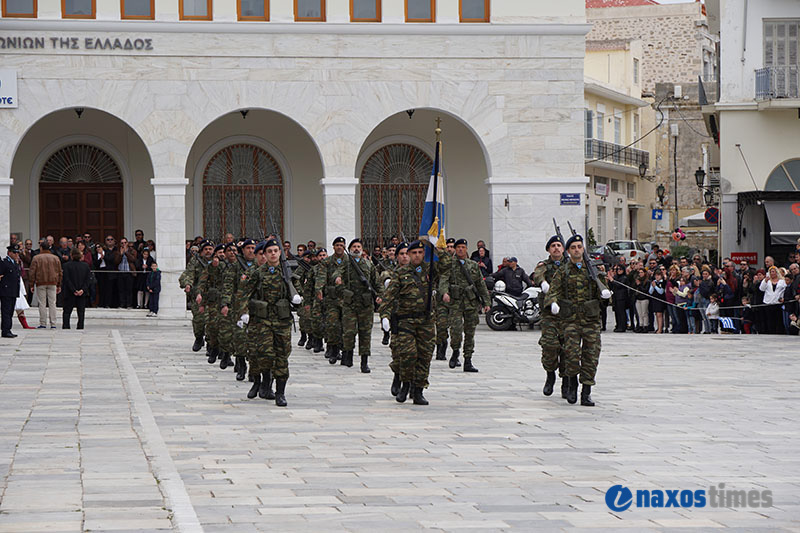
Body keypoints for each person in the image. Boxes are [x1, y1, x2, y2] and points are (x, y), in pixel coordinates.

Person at [379, 240, 451, 405]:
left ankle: (418, 390)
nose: (417, 255)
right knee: (408, 355)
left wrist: (435, 246)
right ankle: (405, 384)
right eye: (414, 253)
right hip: (406, 321)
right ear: (409, 255)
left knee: (425, 356)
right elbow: (389, 297)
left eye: (420, 252)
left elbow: (447, 265)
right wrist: (384, 316)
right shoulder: (400, 273)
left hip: (425, 321)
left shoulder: (430, 270)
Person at [545, 233, 612, 406]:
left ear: (583, 249)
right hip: (571, 320)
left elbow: (604, 295)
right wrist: (553, 303)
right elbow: (553, 291)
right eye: (573, 247)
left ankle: (587, 391)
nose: (576, 250)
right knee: (571, 355)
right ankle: (572, 384)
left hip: (591, 320)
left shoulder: (593, 270)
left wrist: (605, 293)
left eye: (579, 247)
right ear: (568, 251)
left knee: (591, 356)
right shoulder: (563, 271)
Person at [238, 239, 295, 407]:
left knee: (282, 356)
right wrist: (243, 312)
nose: (272, 254)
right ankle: (265, 382)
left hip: (282, 321)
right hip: (262, 321)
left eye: (275, 251)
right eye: (269, 251)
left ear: (280, 253)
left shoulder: (287, 272)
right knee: (265, 355)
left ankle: (281, 393)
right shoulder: (258, 272)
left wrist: (298, 299)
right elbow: (244, 292)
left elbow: (298, 290)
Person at [440, 238, 490, 373]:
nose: (461, 249)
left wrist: (487, 302)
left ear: (466, 249)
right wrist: (444, 292)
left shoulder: (473, 265)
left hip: (470, 303)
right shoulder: (449, 264)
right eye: (458, 247)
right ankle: (455, 351)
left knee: (470, 333)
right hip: (455, 302)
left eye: (463, 247)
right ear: (455, 250)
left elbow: (480, 284)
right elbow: (443, 280)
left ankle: (468, 360)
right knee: (455, 330)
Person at [534, 235, 568, 397]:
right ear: (548, 249)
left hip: (568, 314)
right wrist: (543, 283)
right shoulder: (544, 265)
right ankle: (550, 374)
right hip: (549, 314)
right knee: (550, 346)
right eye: (553, 245)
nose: (556, 248)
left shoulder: (571, 265)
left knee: (568, 349)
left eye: (559, 245)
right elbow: (538, 275)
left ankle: (566, 381)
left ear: (563, 249)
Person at [341, 238, 379, 373]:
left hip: (365, 304)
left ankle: (364, 362)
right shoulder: (345, 264)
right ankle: (348, 355)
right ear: (350, 249)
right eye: (354, 247)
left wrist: (380, 295)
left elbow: (376, 281)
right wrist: (337, 279)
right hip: (350, 304)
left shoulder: (369, 265)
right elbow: (336, 274)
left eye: (358, 247)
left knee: (365, 333)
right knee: (349, 332)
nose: (356, 249)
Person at [221, 239, 257, 382]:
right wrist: (225, 304)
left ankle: (254, 370)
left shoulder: (260, 266)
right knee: (240, 338)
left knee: (255, 340)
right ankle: (241, 366)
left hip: (255, 308)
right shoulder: (235, 266)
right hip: (239, 308)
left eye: (253, 248)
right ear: (243, 250)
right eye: (248, 247)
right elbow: (228, 286)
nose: (250, 250)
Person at [381, 241, 410, 396]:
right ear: (397, 257)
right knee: (398, 352)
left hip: (416, 320)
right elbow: (387, 299)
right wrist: (384, 317)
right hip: (398, 318)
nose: (405, 257)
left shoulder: (421, 273)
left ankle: (412, 384)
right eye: (402, 254)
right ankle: (397, 377)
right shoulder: (390, 275)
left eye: (407, 253)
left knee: (414, 354)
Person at [316, 237, 348, 364]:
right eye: (337, 245)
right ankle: (334, 350)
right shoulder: (327, 262)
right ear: (333, 247)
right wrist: (318, 289)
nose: (339, 247)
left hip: (346, 300)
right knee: (333, 324)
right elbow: (321, 277)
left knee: (346, 327)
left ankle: (345, 351)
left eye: (341, 245)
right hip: (332, 299)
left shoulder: (349, 261)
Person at [179, 240, 214, 351]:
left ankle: (211, 343)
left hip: (213, 295)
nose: (208, 251)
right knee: (198, 320)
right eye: (206, 249)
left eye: (210, 249)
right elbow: (188, 274)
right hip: (198, 295)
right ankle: (199, 337)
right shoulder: (195, 261)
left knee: (211, 320)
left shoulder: (217, 261)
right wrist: (187, 284)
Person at [29, 242, 62, 329]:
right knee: (52, 303)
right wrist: (59, 284)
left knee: (42, 303)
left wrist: (31, 284)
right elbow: (59, 272)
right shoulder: (55, 258)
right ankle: (53, 323)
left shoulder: (36, 258)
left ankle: (43, 323)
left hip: (41, 282)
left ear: (41, 248)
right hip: (52, 282)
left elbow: (32, 272)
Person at [434, 237, 456, 360]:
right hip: (442, 298)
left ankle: (455, 353)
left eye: (452, 247)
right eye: (448, 246)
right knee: (441, 325)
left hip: (456, 300)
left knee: (455, 328)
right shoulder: (440, 262)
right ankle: (440, 347)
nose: (450, 249)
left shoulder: (461, 262)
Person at [62, 248, 91, 329]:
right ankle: (80, 326)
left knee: (67, 311)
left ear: (71, 255)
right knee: (81, 311)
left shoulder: (66, 266)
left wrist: (73, 290)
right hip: (82, 292)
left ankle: (66, 326)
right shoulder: (85, 266)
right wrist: (82, 290)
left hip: (70, 292)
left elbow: (67, 280)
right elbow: (88, 280)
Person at [0, 244, 23, 338]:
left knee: (10, 311)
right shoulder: (4, 263)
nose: (17, 254)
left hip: (13, 291)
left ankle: (7, 329)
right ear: (9, 253)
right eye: (14, 252)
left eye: (17, 252)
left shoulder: (15, 263)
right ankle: (6, 330)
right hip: (6, 291)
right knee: (6, 311)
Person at [760, 266, 786, 334]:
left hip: (777, 302)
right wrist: (765, 281)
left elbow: (784, 290)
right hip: (768, 302)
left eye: (773, 272)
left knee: (778, 319)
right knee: (769, 319)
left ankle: (778, 332)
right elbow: (761, 289)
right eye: (770, 272)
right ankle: (770, 332)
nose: (772, 273)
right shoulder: (767, 281)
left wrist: (783, 298)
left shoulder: (782, 281)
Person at [117, 237, 137, 309]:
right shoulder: (118, 251)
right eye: (122, 243)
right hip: (121, 272)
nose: (123, 244)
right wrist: (121, 254)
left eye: (125, 243)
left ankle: (129, 304)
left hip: (129, 272)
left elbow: (133, 259)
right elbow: (116, 261)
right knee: (121, 289)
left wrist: (126, 253)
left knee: (129, 289)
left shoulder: (132, 251)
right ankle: (122, 304)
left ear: (127, 243)